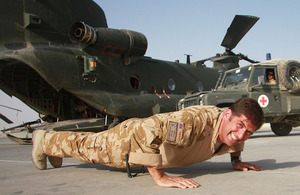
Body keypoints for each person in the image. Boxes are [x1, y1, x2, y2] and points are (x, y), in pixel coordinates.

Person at [32, 97, 264, 189]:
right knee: (88, 148)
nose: (241, 134)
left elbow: (235, 139)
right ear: (226, 115)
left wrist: (237, 161)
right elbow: (148, 129)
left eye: (249, 132)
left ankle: (55, 146)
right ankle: (45, 140)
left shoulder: (231, 132)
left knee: (84, 147)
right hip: (129, 140)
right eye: (240, 125)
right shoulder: (195, 122)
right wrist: (160, 177)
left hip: (146, 145)